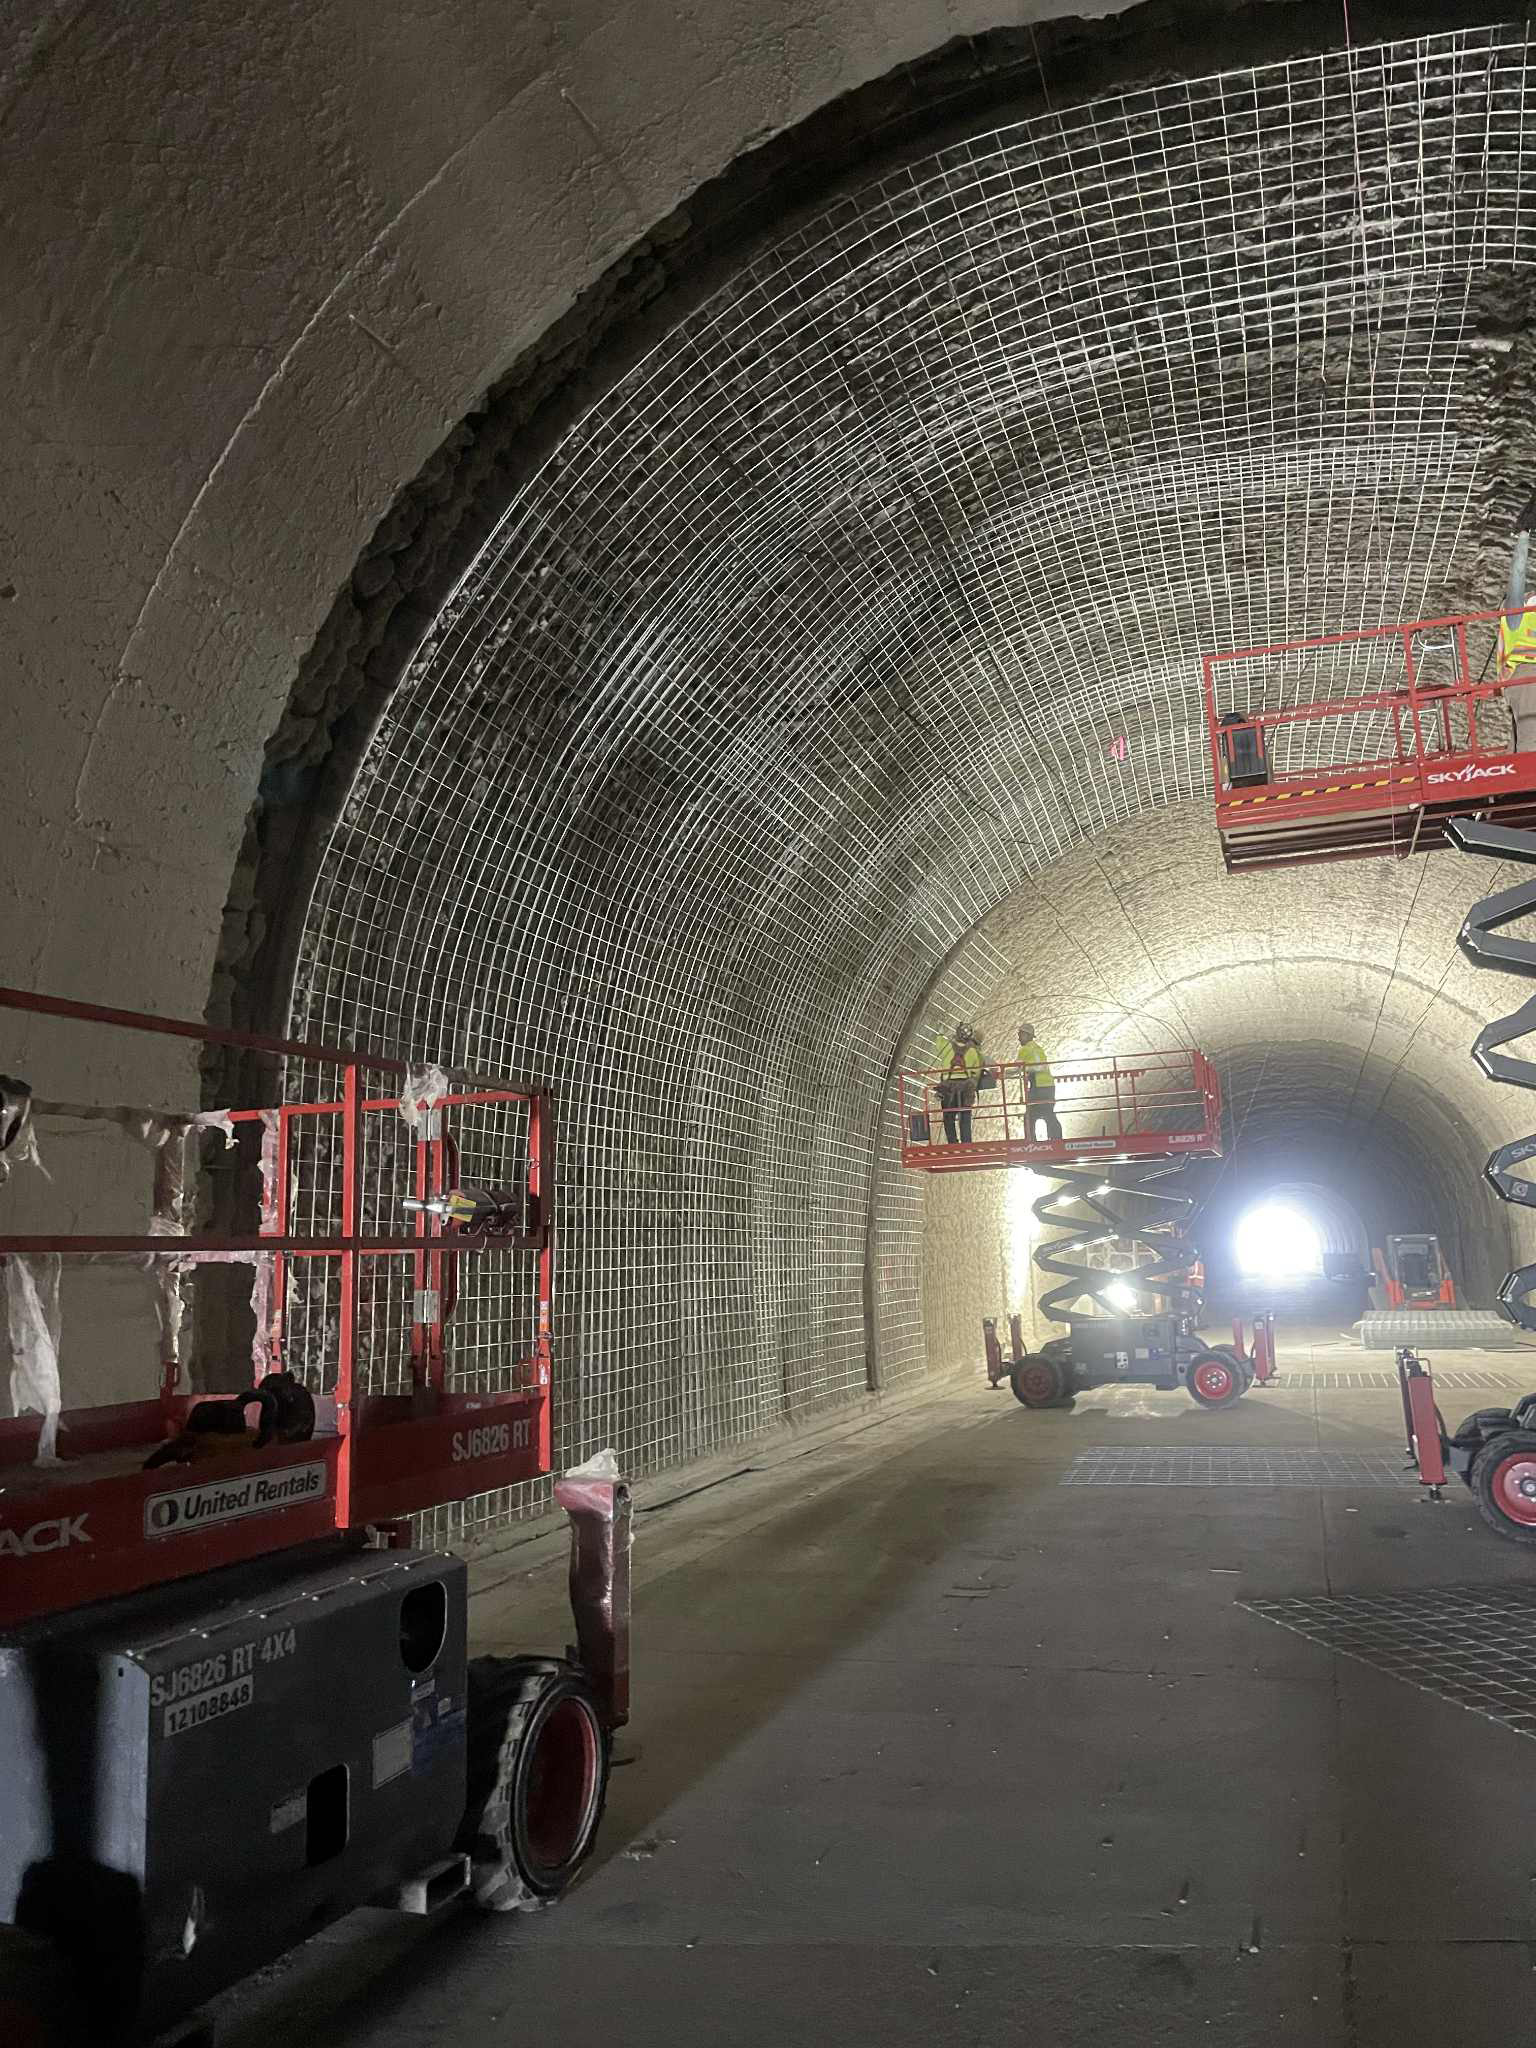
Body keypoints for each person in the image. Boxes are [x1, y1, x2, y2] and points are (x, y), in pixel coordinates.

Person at [1500, 487, 1536, 751]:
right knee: (1531, 742)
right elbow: (1517, 576)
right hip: (1527, 675)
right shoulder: (1517, 613)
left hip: (1520, 681)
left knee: (1519, 743)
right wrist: (1524, 534)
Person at [933, 1023, 982, 1144]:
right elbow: (976, 1071)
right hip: (966, 1088)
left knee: (948, 1117)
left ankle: (952, 1142)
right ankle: (966, 1142)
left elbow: (939, 1042)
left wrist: (940, 1034)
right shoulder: (973, 1052)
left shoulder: (947, 1047)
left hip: (948, 1088)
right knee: (965, 1116)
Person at [1016, 1021, 1062, 1141]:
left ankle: (1031, 1142)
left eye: (1020, 1035)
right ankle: (1057, 1140)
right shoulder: (1038, 1048)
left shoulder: (1025, 1049)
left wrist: (1001, 1073)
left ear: (1027, 1035)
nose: (1018, 1038)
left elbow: (1016, 1068)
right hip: (1049, 1086)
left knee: (1030, 1116)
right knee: (1048, 1113)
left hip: (1038, 1087)